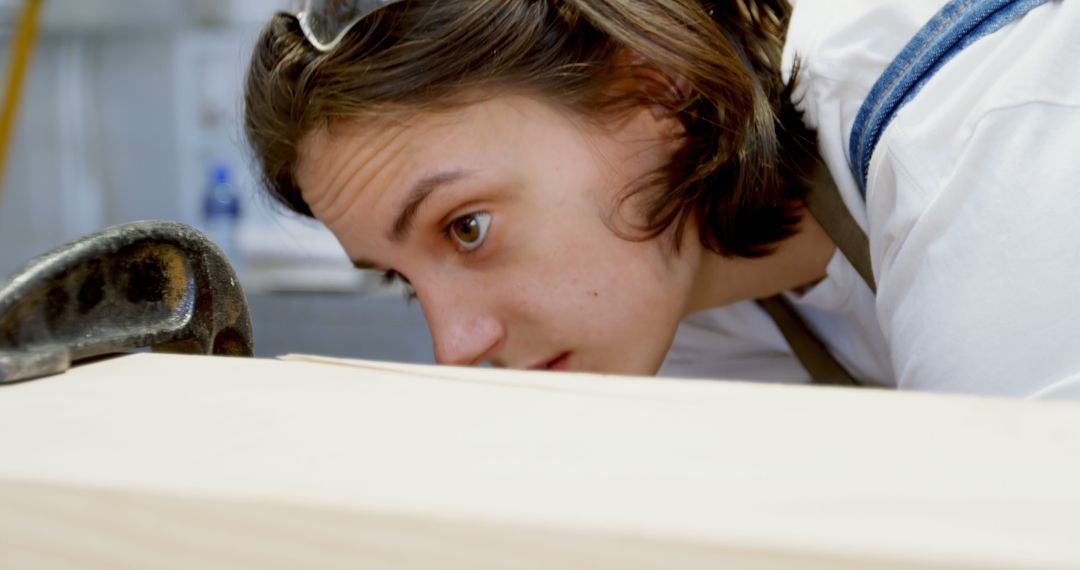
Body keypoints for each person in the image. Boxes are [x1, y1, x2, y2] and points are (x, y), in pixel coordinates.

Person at [243, 0, 1080, 399]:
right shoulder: (670, 280)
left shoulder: (986, 138)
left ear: (651, 84)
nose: (455, 345)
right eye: (400, 277)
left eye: (467, 227)